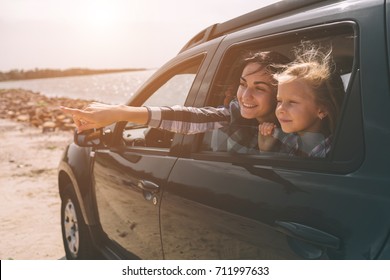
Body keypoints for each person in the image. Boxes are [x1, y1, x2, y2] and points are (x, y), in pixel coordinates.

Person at [61, 51, 291, 153]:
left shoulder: (297, 129)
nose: (245, 96)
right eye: (243, 84)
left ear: (280, 91)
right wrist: (120, 112)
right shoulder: (233, 113)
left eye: (259, 88)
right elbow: (190, 117)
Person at [258, 43, 345, 157]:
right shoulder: (286, 142)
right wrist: (265, 151)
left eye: (292, 102)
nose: (280, 109)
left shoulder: (336, 154)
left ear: (322, 110)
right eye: (279, 101)